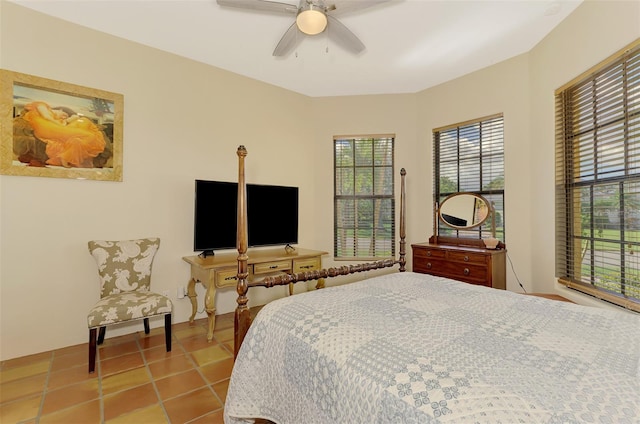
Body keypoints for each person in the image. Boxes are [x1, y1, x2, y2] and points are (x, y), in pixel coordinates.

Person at [20, 101, 106, 168]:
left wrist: (67, 120)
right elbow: (46, 116)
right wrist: (61, 123)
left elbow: (62, 123)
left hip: (49, 129)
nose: (64, 116)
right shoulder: (41, 105)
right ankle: (66, 156)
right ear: (60, 110)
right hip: (48, 129)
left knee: (85, 136)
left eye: (66, 116)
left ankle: (67, 155)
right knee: (89, 136)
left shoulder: (57, 119)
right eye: (65, 114)